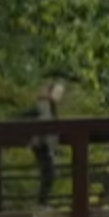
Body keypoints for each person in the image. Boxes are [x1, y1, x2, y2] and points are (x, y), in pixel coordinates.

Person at [28, 74, 70, 204]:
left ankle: (42, 201)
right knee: (50, 173)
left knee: (49, 173)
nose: (59, 95)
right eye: (57, 92)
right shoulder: (44, 104)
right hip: (42, 143)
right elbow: (45, 123)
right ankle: (42, 202)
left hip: (44, 143)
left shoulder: (50, 105)